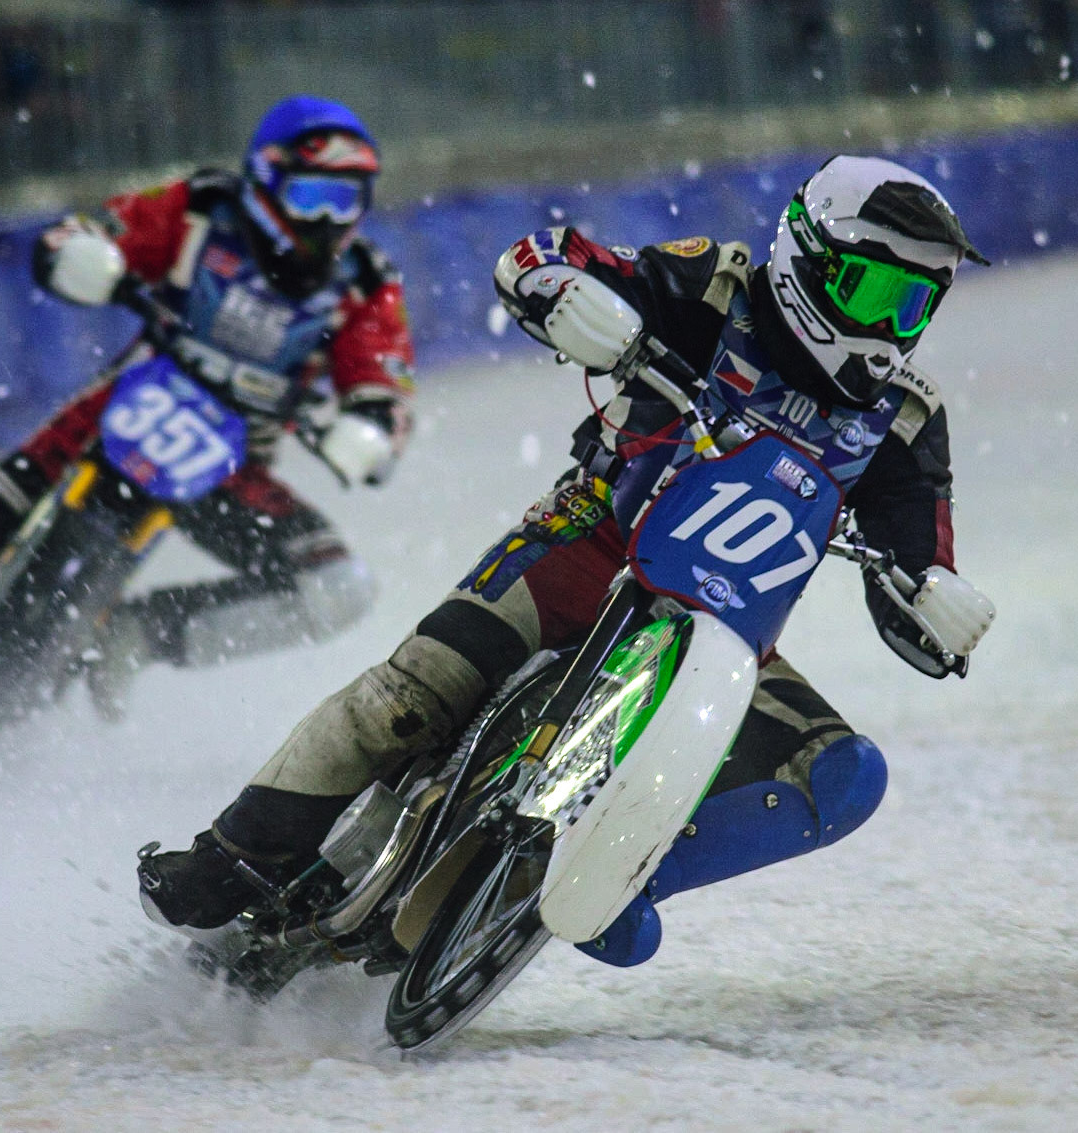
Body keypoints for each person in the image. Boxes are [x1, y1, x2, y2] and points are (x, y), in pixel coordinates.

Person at [136, 155, 997, 966]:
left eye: (914, 305)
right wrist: (565, 294)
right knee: (403, 697)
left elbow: (914, 568)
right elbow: (544, 257)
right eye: (873, 290)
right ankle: (229, 857)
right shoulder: (714, 284)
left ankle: (613, 882)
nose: (887, 329)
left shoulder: (905, 418)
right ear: (807, 255)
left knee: (842, 778)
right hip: (585, 539)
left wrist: (937, 603)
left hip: (729, 634)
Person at [0, 95, 416, 738]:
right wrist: (85, 255)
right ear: (267, 176)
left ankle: (136, 635)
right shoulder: (200, 208)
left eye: (347, 200)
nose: (326, 220)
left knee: (337, 588)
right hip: (120, 408)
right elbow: (85, 233)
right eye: (314, 196)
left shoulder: (364, 280)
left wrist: (367, 426)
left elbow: (385, 380)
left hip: (226, 465)